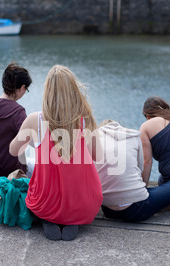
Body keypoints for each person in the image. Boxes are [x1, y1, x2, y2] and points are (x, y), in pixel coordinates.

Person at [9, 65, 103, 241]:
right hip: (84, 201)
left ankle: (49, 217)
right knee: (74, 198)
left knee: (41, 196)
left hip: (46, 201)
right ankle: (72, 217)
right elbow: (98, 156)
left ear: (47, 93)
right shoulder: (85, 120)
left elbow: (13, 150)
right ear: (74, 90)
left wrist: (31, 140)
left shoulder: (35, 120)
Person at [95, 120, 170, 222]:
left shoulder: (94, 140)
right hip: (136, 210)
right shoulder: (131, 136)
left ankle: (160, 202)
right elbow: (139, 169)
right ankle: (164, 204)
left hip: (107, 209)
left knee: (148, 192)